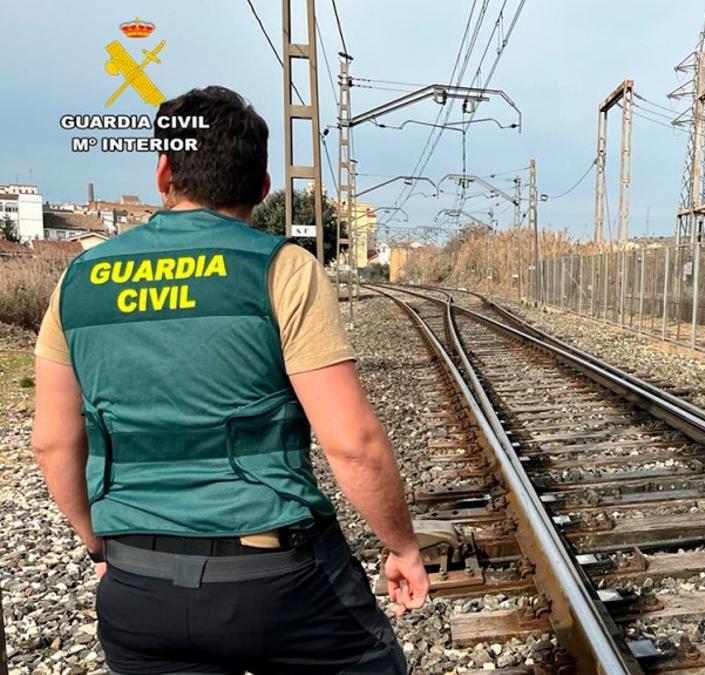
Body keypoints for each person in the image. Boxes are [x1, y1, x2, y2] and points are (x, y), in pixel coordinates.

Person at [32, 85, 429, 674]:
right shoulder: (281, 268)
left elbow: (53, 441)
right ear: (262, 187)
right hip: (275, 583)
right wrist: (402, 546)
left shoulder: (80, 279)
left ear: (164, 170)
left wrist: (101, 546)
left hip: (138, 589)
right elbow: (353, 445)